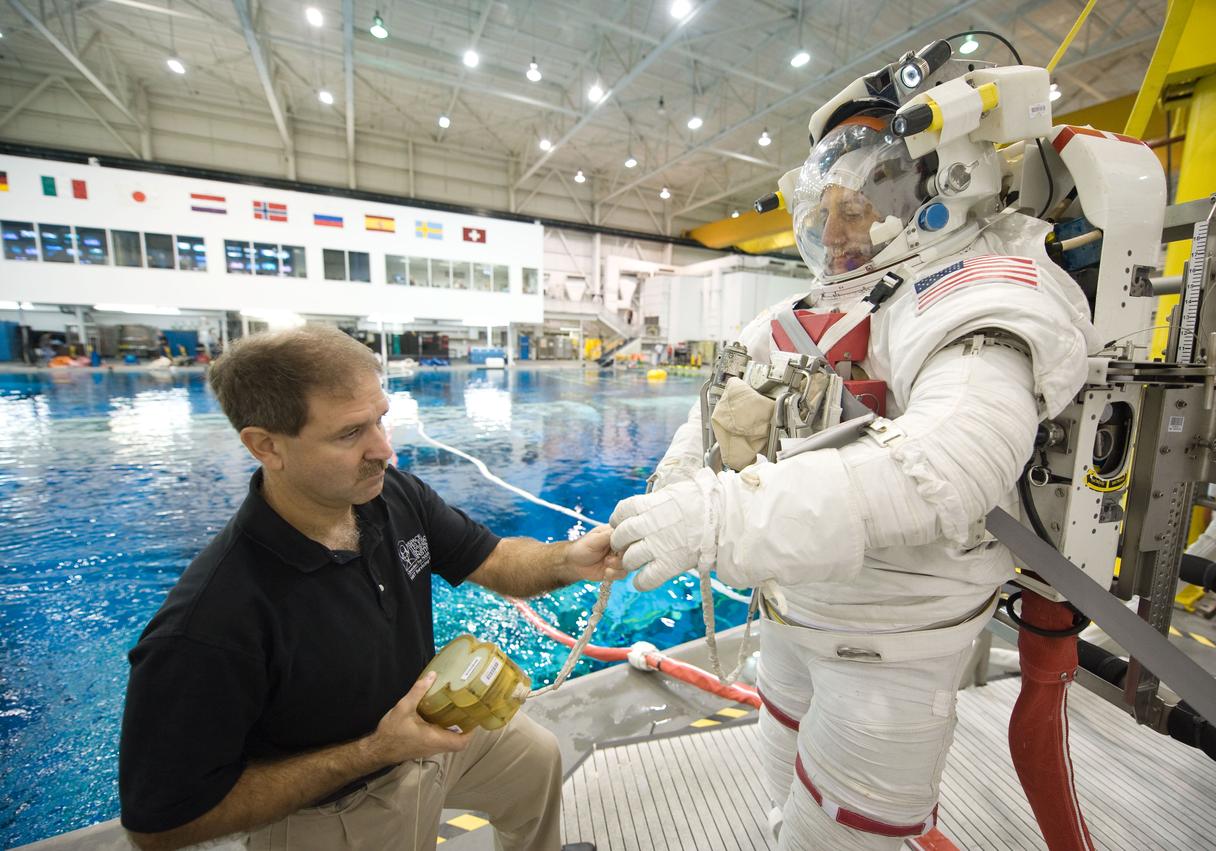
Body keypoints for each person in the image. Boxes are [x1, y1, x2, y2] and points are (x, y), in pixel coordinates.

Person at [609, 61, 1098, 849]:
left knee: (840, 833)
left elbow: (948, 464)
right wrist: (664, 500)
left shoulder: (979, 291)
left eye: (862, 209)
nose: (836, 233)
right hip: (792, 613)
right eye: (828, 210)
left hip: (891, 644)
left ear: (945, 186)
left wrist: (718, 516)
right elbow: (713, 417)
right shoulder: (799, 311)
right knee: (781, 791)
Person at [119, 325, 609, 851]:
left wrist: (571, 559)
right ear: (266, 446)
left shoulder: (391, 495)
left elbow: (491, 558)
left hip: (427, 738)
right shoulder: (212, 620)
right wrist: (375, 750)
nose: (384, 449)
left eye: (380, 419)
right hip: (337, 805)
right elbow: (161, 825)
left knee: (535, 758)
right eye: (350, 434)